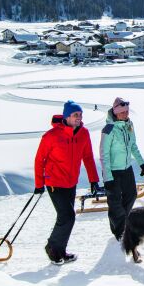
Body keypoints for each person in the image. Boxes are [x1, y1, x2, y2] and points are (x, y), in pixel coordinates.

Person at [34, 100, 100, 264]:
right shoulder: (52, 136)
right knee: (68, 216)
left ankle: (60, 251)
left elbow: (88, 158)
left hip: (71, 182)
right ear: (67, 116)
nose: (79, 118)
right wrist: (38, 184)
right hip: (54, 182)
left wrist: (93, 180)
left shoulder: (83, 134)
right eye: (75, 115)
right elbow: (39, 160)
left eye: (80, 115)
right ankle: (52, 248)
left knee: (66, 217)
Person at [100, 96, 144, 240]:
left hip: (126, 168)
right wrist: (108, 177)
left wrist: (141, 163)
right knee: (115, 202)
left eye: (126, 111)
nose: (125, 114)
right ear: (115, 112)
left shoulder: (129, 125)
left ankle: (123, 223)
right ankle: (119, 230)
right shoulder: (108, 129)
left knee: (131, 195)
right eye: (122, 112)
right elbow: (104, 154)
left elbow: (133, 145)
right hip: (113, 171)